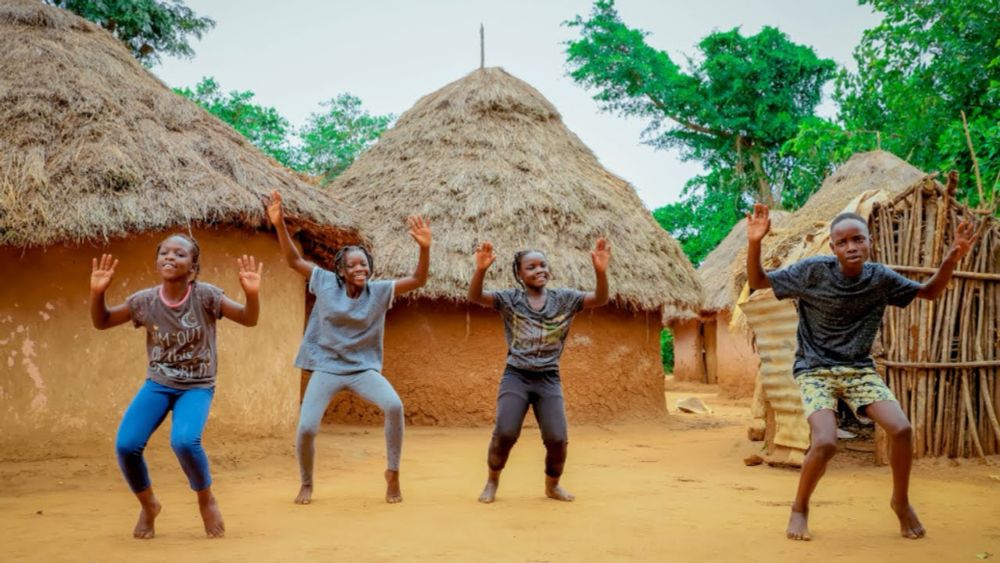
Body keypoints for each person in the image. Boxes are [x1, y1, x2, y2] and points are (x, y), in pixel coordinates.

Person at [745, 174, 978, 541]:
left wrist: (951, 257)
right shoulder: (811, 272)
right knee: (825, 442)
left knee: (901, 429)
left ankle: (900, 502)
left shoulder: (880, 278)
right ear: (833, 247)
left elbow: (930, 293)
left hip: (858, 370)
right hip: (815, 369)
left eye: (858, 239)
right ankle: (800, 507)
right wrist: (754, 242)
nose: (851, 246)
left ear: (869, 243)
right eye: (843, 242)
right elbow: (759, 282)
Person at [90, 234, 262, 539]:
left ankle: (206, 499)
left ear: (193, 267)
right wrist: (97, 293)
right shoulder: (144, 301)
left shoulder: (206, 296)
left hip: (197, 385)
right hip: (158, 383)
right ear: (157, 261)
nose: (170, 257)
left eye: (180, 254)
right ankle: (149, 505)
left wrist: (252, 295)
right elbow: (102, 321)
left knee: (184, 441)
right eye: (164, 253)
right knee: (126, 445)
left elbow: (249, 319)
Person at [266, 190, 431, 505]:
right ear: (341, 271)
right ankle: (307, 483)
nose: (360, 269)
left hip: (363, 369)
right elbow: (293, 260)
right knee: (307, 428)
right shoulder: (326, 282)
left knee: (394, 406)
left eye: (364, 264)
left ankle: (392, 472)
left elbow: (418, 279)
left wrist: (424, 248)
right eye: (353, 265)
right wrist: (279, 225)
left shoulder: (379, 291)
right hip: (327, 367)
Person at [469, 239, 611, 503]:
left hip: (548, 378)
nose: (539, 270)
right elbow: (475, 297)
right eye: (531, 267)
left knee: (557, 438)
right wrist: (481, 270)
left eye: (542, 265)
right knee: (506, 432)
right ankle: (492, 481)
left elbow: (600, 299)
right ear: (520, 274)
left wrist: (600, 272)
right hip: (517, 376)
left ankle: (552, 485)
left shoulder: (565, 299)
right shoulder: (511, 300)